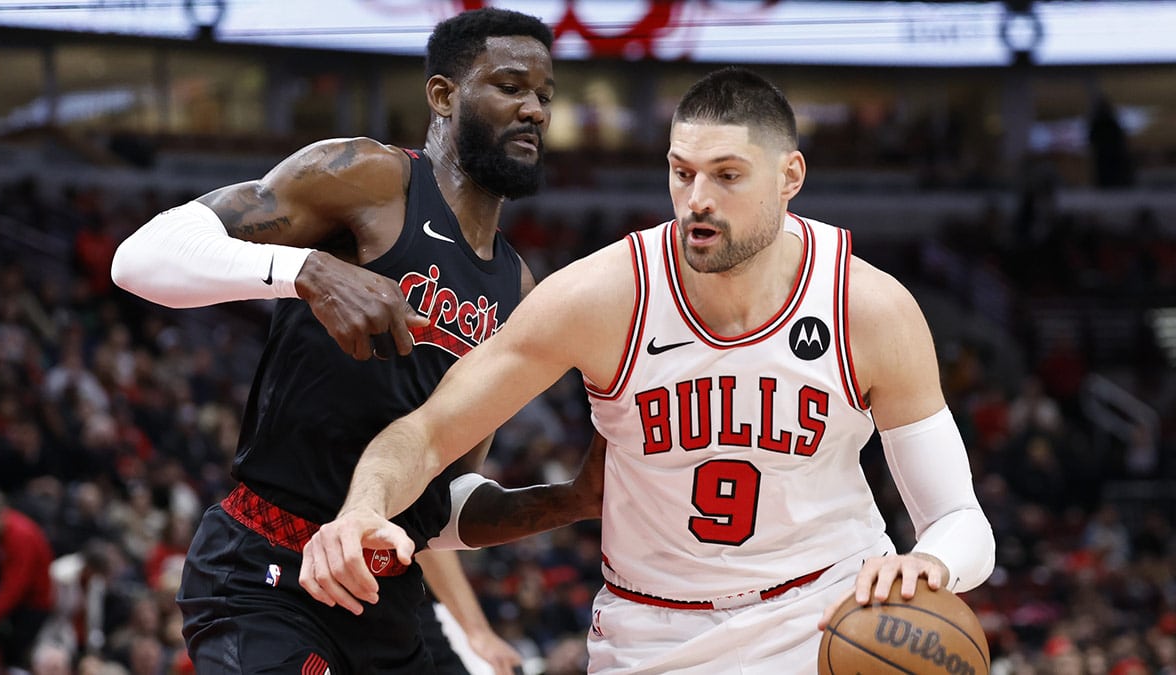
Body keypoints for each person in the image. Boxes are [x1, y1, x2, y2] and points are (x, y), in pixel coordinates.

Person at [300, 67, 997, 673]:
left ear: (791, 177)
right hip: (650, 634)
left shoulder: (868, 307)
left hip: (822, 617)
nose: (697, 198)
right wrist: (360, 510)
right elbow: (424, 434)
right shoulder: (602, 296)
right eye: (681, 171)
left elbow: (961, 518)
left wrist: (930, 561)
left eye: (727, 175)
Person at [110, 7, 587, 673]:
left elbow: (438, 503)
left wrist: (560, 502)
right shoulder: (368, 177)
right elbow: (139, 257)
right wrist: (305, 270)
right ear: (444, 95)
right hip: (268, 572)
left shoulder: (519, 288)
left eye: (544, 94)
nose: (534, 109)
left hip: (389, 598)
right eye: (510, 87)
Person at [0, 485, 55, 672]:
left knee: (12, 653)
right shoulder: (0, 533)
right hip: (16, 602)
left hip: (33, 606)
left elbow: (14, 587)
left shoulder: (20, 537)